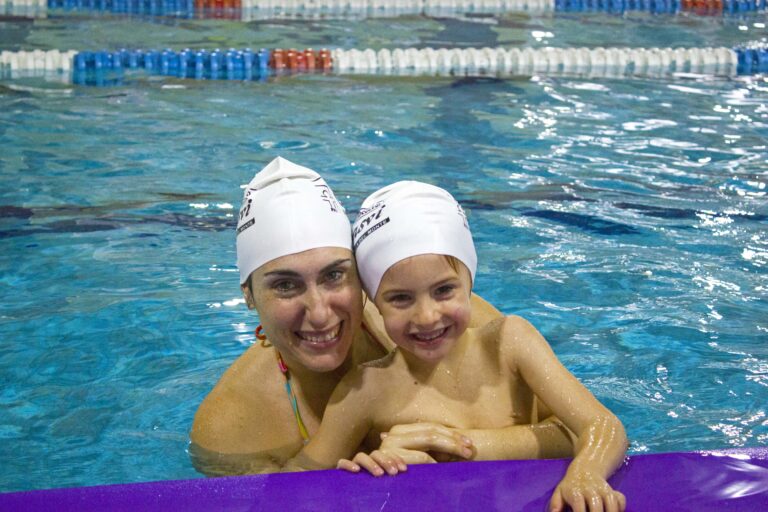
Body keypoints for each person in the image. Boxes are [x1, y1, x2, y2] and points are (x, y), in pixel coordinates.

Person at [189, 157, 574, 475]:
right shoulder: (232, 424)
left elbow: (574, 431)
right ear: (249, 296)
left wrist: (455, 444)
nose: (320, 313)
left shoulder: (435, 324)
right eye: (285, 286)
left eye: (334, 275)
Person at [283, 181, 628, 512]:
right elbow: (294, 480)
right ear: (374, 302)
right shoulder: (365, 390)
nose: (427, 316)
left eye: (444, 290)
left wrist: (587, 472)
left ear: (470, 283)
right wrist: (356, 473)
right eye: (400, 298)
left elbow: (603, 425)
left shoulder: (510, 344)